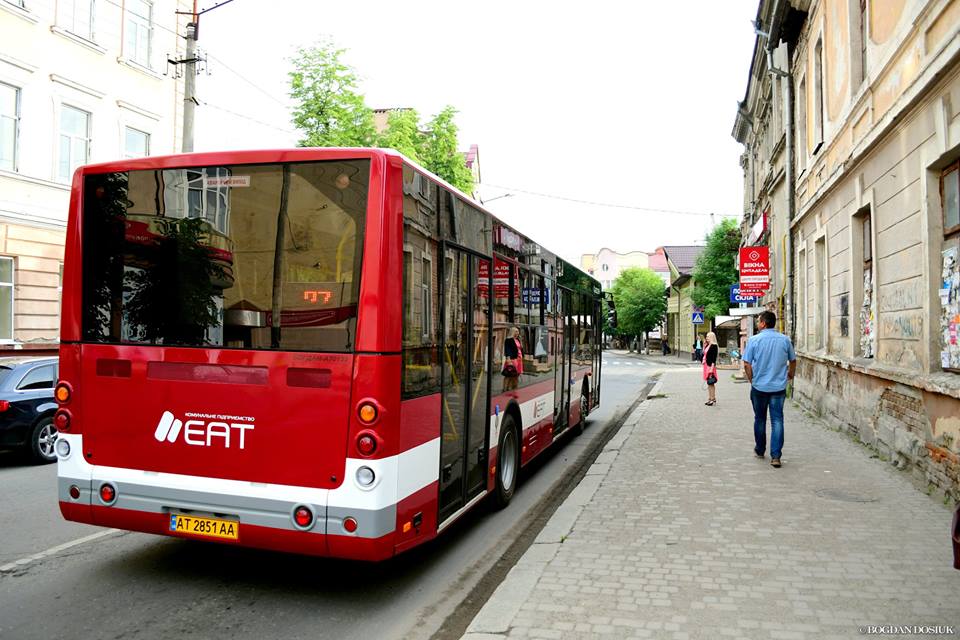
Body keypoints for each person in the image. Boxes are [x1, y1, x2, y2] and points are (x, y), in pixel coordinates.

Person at [742, 310, 796, 468]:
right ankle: (776, 456)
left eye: (759, 321)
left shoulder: (754, 340)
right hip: (778, 387)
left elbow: (746, 364)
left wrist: (752, 380)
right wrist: (790, 375)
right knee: (777, 420)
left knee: (759, 419)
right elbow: (793, 360)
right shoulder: (785, 340)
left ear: (763, 323)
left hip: (759, 387)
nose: (758, 324)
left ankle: (760, 449)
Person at [502, 327, 523, 391]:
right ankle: (505, 389)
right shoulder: (508, 340)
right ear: (512, 332)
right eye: (516, 331)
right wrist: (508, 359)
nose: (518, 333)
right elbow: (507, 350)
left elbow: (520, 349)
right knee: (509, 374)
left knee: (516, 375)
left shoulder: (518, 340)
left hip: (519, 359)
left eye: (518, 331)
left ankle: (513, 388)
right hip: (512, 359)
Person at [702, 331, 719, 406]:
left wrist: (712, 368)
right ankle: (710, 398)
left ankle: (712, 399)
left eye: (708, 337)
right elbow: (704, 353)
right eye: (706, 337)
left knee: (711, 383)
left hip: (710, 366)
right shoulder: (707, 345)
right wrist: (704, 345)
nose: (706, 338)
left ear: (712, 337)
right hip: (706, 365)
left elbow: (713, 358)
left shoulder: (714, 346)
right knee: (709, 383)